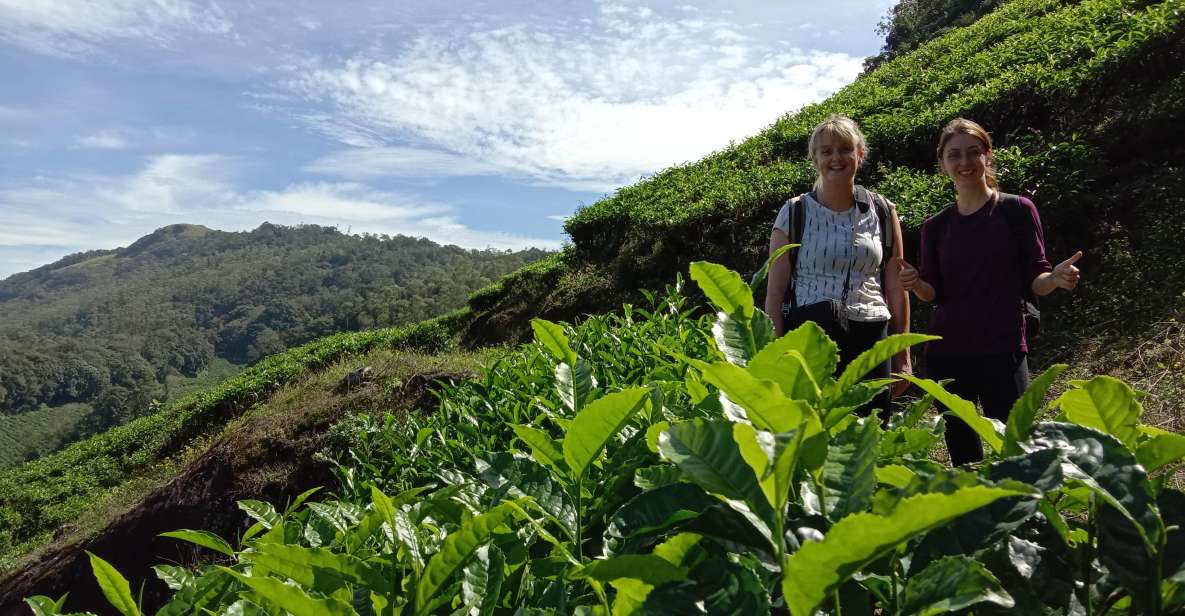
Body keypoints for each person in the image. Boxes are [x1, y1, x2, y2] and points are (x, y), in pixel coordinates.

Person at [898, 118, 1082, 465]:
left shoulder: (1016, 210)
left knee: (1014, 444)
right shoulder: (935, 226)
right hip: (948, 351)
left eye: (973, 153)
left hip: (1003, 344)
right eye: (955, 155)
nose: (964, 163)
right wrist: (914, 282)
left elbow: (1036, 277)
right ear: (942, 163)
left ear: (988, 156)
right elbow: (932, 294)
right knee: (963, 448)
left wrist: (1054, 279)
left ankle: (1022, 516)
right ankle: (977, 516)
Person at [764, 114, 912, 415]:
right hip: (811, 332)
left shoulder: (882, 210)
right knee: (814, 428)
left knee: (871, 427)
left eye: (845, 149)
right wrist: (776, 354)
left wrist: (902, 354)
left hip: (871, 330)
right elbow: (775, 294)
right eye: (826, 151)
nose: (836, 158)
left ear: (860, 154)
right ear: (814, 158)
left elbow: (896, 286)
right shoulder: (794, 212)